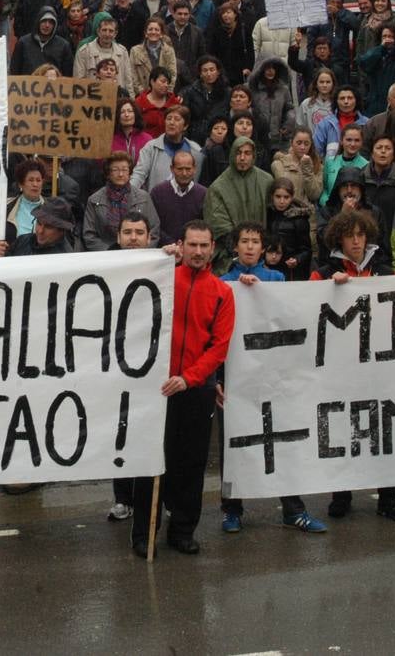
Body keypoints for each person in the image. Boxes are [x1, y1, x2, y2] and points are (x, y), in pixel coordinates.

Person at [216, 221, 328, 534]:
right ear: (235, 247)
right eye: (244, 241)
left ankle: (293, 509)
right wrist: (217, 378)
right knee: (234, 444)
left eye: (255, 241)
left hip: (274, 375)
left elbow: (290, 316)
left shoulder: (277, 278)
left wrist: (262, 291)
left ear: (264, 248)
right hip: (236, 376)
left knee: (283, 441)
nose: (250, 247)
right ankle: (232, 509)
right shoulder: (223, 282)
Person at [130, 221, 233, 557]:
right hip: (158, 387)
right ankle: (144, 533)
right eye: (193, 245)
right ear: (182, 245)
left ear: (213, 247)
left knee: (191, 464)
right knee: (150, 464)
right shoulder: (163, 278)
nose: (199, 252)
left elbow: (219, 346)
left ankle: (183, 530)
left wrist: (190, 378)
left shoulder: (222, 292)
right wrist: (159, 260)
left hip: (195, 388)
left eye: (204, 246)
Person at [311, 210, 395, 523]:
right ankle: (341, 494)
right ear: (339, 239)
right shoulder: (324, 271)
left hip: (381, 366)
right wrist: (329, 287)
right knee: (344, 428)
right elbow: (309, 306)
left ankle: (389, 498)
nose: (356, 241)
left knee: (387, 428)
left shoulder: (383, 268)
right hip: (341, 366)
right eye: (350, 235)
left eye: (361, 235)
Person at [107, 210, 157, 521]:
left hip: (150, 365)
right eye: (128, 232)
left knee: (148, 433)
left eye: (139, 232)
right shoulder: (104, 266)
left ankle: (150, 499)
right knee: (119, 434)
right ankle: (122, 498)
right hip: (115, 366)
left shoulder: (161, 265)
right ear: (118, 237)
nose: (134, 238)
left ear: (149, 237)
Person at [205, 136, 273, 273]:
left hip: (263, 254)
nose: (242, 158)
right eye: (238, 153)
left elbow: (274, 216)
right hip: (229, 258)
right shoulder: (218, 187)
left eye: (247, 153)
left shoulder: (266, 181)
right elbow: (218, 224)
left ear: (253, 156)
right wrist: (240, 248)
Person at [82, 152, 161, 251]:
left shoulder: (143, 197)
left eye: (125, 170)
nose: (120, 174)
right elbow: (89, 235)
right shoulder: (94, 200)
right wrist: (110, 252)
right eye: (115, 170)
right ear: (108, 173)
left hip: (139, 254)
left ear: (130, 172)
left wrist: (142, 252)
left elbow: (154, 230)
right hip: (106, 256)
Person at [132, 106, 203, 192]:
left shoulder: (196, 150)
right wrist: (128, 193)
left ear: (185, 126)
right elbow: (139, 175)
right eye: (169, 119)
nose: (171, 122)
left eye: (177, 119)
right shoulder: (151, 147)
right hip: (155, 202)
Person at [361, 136, 395, 259]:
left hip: (392, 241)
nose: (383, 151)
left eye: (388, 148)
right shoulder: (360, 177)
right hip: (363, 240)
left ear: (393, 154)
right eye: (379, 148)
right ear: (372, 153)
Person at [149, 150, 206, 246]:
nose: (184, 173)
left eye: (188, 169)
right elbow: (153, 225)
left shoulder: (204, 194)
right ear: (172, 169)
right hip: (164, 250)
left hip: (194, 250)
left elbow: (205, 226)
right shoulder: (157, 192)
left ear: (194, 169)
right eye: (180, 169)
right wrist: (172, 244)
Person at [0, 197, 76, 257]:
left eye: (48, 227)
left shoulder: (65, 259)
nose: (40, 231)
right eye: (39, 223)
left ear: (61, 231)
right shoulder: (23, 240)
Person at [304, 0, 357, 85]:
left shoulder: (345, 14)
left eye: (338, 3)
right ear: (328, 2)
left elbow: (355, 24)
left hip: (341, 62)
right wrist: (311, 59)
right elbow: (311, 39)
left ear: (342, 4)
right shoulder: (320, 16)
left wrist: (339, 13)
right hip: (323, 61)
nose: (335, 5)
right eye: (332, 2)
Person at [358, 21, 395, 117]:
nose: (387, 39)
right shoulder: (376, 52)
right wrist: (381, 48)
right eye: (384, 36)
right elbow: (364, 63)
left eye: (390, 36)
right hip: (375, 103)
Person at [265, 180, 312, 281]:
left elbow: (306, 250)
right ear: (272, 196)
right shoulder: (266, 215)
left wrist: (297, 259)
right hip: (268, 267)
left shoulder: (299, 219)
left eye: (286, 197)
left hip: (290, 270)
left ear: (292, 197)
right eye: (278, 197)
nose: (282, 201)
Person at [247, 57, 294, 156]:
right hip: (257, 139)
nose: (270, 71)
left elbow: (289, 108)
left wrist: (289, 122)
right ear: (260, 69)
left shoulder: (284, 89)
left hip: (279, 138)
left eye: (273, 68)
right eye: (267, 68)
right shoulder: (252, 89)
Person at [271, 127, 324, 213]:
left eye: (306, 144)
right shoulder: (278, 165)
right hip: (283, 216)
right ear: (291, 143)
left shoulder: (318, 166)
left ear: (311, 145)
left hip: (306, 217)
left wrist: (307, 170)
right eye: (299, 143)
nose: (302, 147)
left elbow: (314, 195)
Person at [9, 6, 73, 77]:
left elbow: (68, 76)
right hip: (27, 86)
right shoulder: (23, 43)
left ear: (55, 25)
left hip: (54, 86)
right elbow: (14, 71)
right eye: (44, 21)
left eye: (51, 22)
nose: (47, 25)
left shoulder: (63, 46)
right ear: (38, 22)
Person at [180, 55, 229, 145]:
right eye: (205, 70)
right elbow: (186, 117)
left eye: (212, 70)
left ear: (218, 72)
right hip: (195, 139)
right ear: (200, 73)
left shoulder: (227, 92)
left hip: (220, 138)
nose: (209, 74)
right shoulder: (190, 92)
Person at [312, 85, 367, 161]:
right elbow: (316, 150)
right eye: (342, 98)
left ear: (356, 100)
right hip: (331, 169)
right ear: (336, 101)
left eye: (350, 98)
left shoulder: (367, 124)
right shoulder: (326, 123)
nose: (346, 101)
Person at [206, 1, 254, 83]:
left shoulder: (244, 30)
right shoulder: (217, 32)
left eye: (228, 12)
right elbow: (212, 53)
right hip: (221, 75)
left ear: (235, 14)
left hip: (240, 75)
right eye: (223, 13)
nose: (226, 15)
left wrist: (248, 68)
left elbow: (250, 52)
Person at [166, 0, 205, 86]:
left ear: (189, 15)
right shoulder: (165, 31)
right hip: (169, 76)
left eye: (185, 14)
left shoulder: (197, 32)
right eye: (179, 14)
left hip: (191, 78)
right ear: (173, 14)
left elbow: (201, 56)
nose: (183, 17)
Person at [323, 124, 367, 201]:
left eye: (357, 140)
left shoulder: (366, 165)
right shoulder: (330, 162)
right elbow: (324, 190)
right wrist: (327, 205)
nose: (353, 144)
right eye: (349, 140)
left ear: (362, 142)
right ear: (341, 141)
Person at [134, 66, 181, 134]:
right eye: (163, 81)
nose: (166, 85)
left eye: (168, 83)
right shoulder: (139, 102)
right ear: (152, 82)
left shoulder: (174, 102)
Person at [354, 0, 395, 64]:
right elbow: (360, 42)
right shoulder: (366, 20)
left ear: (388, 3)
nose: (380, 3)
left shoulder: (393, 21)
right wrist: (360, 61)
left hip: (385, 65)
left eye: (383, 1)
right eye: (377, 0)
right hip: (367, 65)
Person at [135, 18, 179, 90]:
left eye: (156, 30)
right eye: (150, 29)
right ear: (146, 33)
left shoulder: (169, 51)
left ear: (161, 34)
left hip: (164, 94)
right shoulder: (135, 51)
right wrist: (144, 95)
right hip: (143, 95)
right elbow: (133, 76)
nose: (153, 32)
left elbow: (172, 74)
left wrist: (167, 91)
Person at [296, 66, 336, 135]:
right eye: (321, 82)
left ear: (333, 84)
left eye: (328, 82)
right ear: (316, 84)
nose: (325, 85)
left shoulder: (337, 104)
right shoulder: (306, 104)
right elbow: (300, 127)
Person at [111, 97, 152, 161]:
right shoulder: (110, 140)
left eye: (130, 111)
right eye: (122, 112)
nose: (126, 115)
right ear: (117, 116)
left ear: (135, 114)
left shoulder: (147, 139)